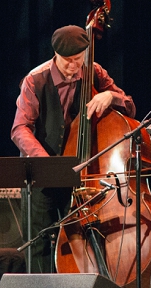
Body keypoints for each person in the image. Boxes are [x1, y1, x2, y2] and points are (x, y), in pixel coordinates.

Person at [10, 25, 136, 271]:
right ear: (55, 54)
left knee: (85, 237)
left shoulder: (94, 71)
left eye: (78, 59)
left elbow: (130, 107)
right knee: (40, 243)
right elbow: (20, 128)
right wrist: (46, 163)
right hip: (45, 172)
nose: (73, 66)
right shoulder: (35, 79)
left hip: (85, 173)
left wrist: (111, 97)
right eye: (67, 60)